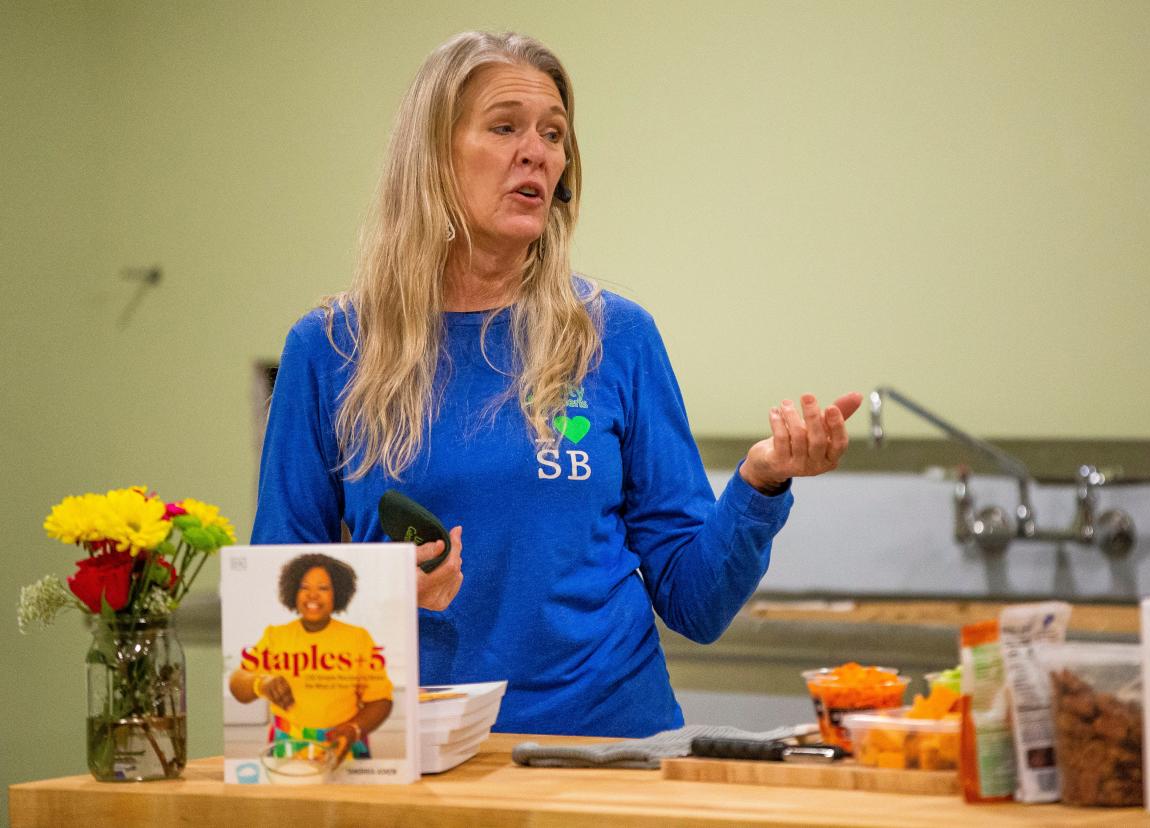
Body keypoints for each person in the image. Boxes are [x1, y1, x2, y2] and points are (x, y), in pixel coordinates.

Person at [252, 30, 862, 738]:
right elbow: (275, 606)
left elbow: (698, 605)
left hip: (609, 750)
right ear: (430, 160)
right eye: (505, 127)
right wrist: (381, 598)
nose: (536, 152)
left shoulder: (616, 336)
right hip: (408, 751)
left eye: (553, 134)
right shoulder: (328, 349)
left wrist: (760, 486)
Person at [228, 553, 394, 763]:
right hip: (285, 751)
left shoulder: (357, 638)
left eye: (323, 588)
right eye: (304, 587)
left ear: (338, 594)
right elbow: (237, 683)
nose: (313, 595)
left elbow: (381, 701)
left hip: (343, 751)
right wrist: (260, 683)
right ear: (293, 592)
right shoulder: (275, 636)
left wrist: (354, 729)